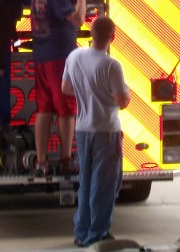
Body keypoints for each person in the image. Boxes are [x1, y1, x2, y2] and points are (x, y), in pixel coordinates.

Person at [61, 16, 130, 248]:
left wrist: (87, 95)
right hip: (106, 131)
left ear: (90, 34)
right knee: (104, 185)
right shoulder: (112, 65)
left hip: (82, 130)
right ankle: (98, 234)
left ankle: (81, 232)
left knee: (86, 182)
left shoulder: (74, 56)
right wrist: (118, 95)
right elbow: (122, 102)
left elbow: (65, 88)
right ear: (113, 36)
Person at [30, 0, 87, 176]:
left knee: (44, 109)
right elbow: (78, 20)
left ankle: (41, 162)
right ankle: (66, 159)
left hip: (42, 56)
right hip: (60, 57)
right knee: (66, 109)